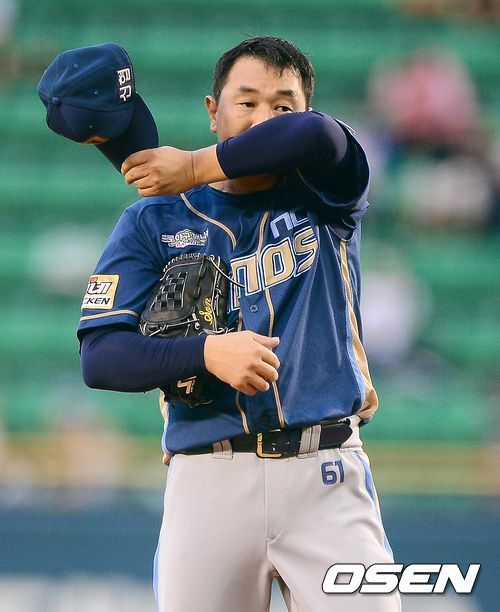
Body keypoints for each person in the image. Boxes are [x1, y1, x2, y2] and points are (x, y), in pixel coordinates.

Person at [79, 36, 401, 612]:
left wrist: (193, 166)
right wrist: (204, 352)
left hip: (325, 473)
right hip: (209, 476)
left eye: (283, 105)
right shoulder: (153, 221)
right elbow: (101, 358)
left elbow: (318, 136)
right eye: (246, 102)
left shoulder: (329, 193)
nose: (263, 118)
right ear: (213, 110)